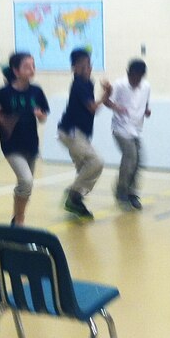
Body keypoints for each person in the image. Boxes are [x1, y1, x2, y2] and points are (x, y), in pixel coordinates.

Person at [0, 53, 49, 226]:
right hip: (11, 145)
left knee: (26, 186)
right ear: (16, 71)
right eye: (27, 66)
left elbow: (43, 117)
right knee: (26, 181)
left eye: (33, 65)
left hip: (31, 144)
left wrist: (40, 115)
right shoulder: (4, 93)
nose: (32, 69)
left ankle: (16, 217)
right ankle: (19, 221)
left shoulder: (37, 91)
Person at [57, 48, 111, 219]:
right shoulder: (78, 84)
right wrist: (106, 95)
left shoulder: (88, 83)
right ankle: (73, 195)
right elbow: (92, 108)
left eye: (89, 64)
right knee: (96, 162)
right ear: (74, 68)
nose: (87, 68)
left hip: (79, 132)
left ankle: (76, 201)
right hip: (71, 132)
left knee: (84, 168)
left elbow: (92, 107)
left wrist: (105, 96)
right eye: (83, 65)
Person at [105, 58, 151, 210]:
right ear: (128, 73)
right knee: (130, 157)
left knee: (139, 161)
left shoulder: (146, 87)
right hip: (120, 128)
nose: (135, 80)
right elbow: (106, 101)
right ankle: (121, 191)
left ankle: (131, 192)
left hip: (136, 129)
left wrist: (146, 110)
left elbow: (145, 104)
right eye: (133, 76)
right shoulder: (119, 85)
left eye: (139, 77)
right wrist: (116, 107)